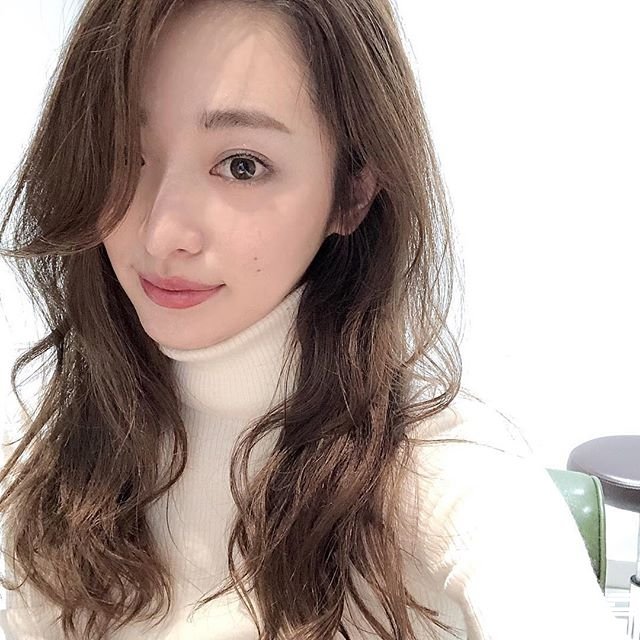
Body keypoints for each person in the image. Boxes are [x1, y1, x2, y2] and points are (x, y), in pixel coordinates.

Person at [0, 1, 624, 639]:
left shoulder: (441, 477)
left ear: (352, 193)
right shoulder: (46, 459)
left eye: (242, 166)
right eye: (122, 152)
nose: (162, 233)